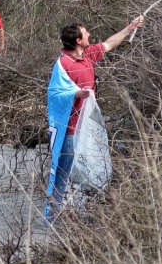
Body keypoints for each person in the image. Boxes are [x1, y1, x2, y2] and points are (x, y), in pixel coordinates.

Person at [46, 15, 144, 220]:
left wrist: (129, 29)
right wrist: (76, 94)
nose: (89, 34)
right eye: (85, 32)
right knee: (63, 174)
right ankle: (54, 217)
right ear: (78, 41)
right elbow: (54, 94)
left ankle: (81, 215)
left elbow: (109, 44)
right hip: (70, 129)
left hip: (88, 127)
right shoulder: (63, 64)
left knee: (88, 172)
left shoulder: (88, 54)